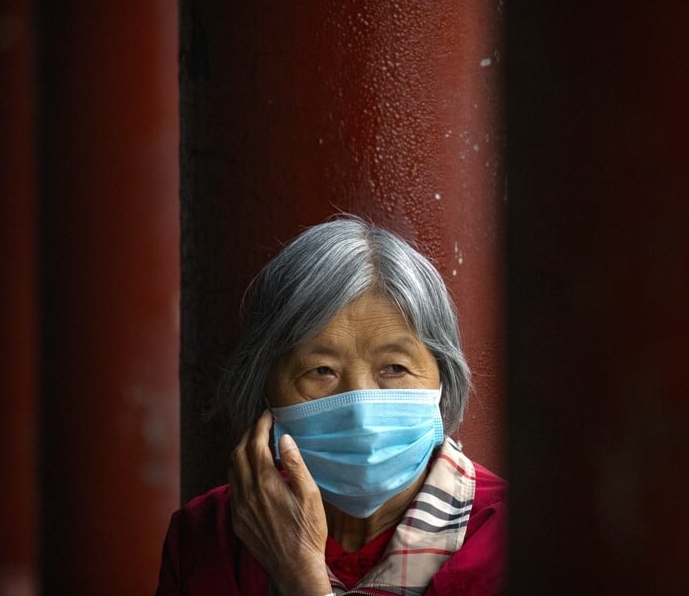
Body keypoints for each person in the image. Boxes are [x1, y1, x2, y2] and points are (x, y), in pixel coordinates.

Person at [155, 217, 506, 595]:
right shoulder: (206, 538)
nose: (359, 406)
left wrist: (300, 579)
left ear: (443, 380)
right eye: (321, 370)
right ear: (264, 391)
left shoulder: (514, 540)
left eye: (395, 368)